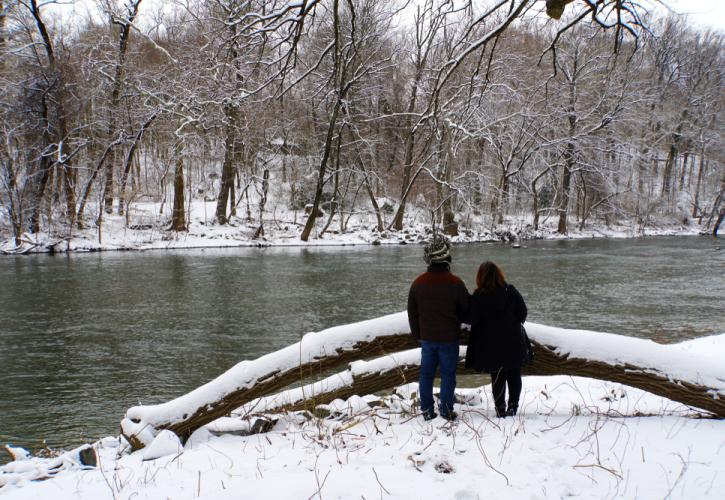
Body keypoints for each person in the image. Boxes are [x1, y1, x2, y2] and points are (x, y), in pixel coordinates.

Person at [407, 234, 469, 421]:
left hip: (427, 338)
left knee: (426, 375)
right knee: (448, 375)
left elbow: (412, 313)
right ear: (447, 259)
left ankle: (426, 410)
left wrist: (419, 334)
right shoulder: (456, 283)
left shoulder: (418, 284)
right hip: (449, 338)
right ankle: (446, 410)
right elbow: (466, 312)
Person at [465, 261, 528, 417]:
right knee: (514, 374)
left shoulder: (478, 296)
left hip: (489, 345)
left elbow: (471, 319)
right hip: (512, 341)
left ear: (480, 277)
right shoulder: (510, 291)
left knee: (497, 376)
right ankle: (513, 407)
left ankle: (500, 409)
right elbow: (523, 314)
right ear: (499, 275)